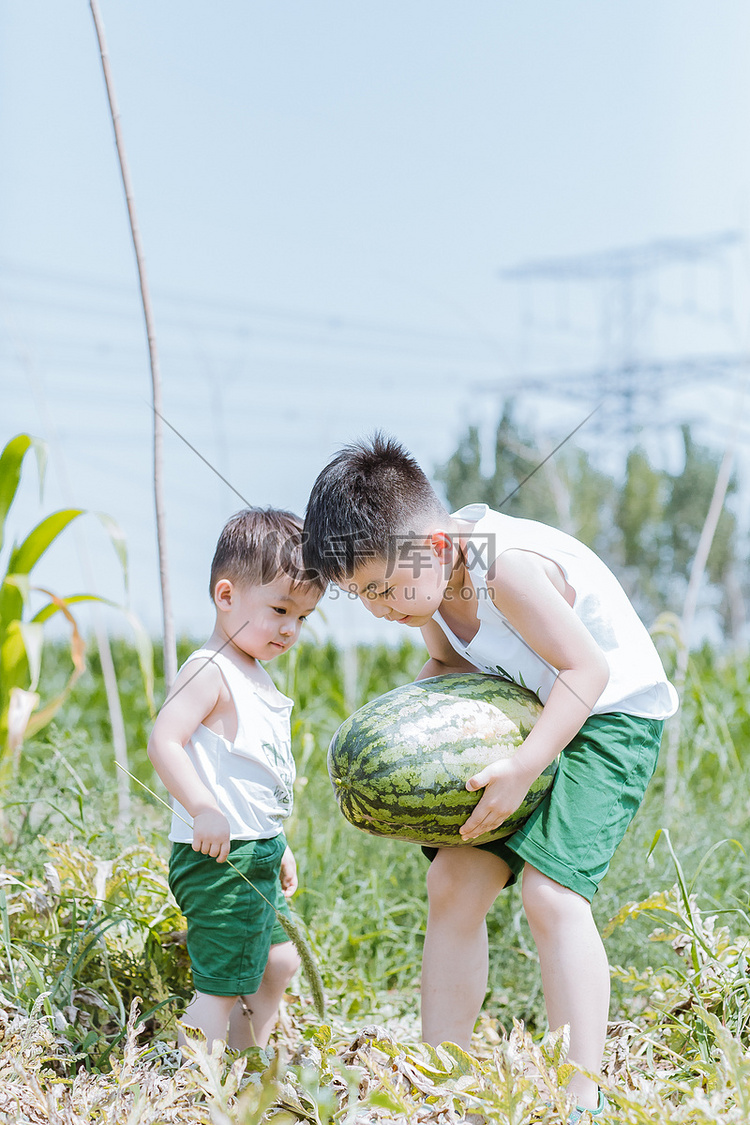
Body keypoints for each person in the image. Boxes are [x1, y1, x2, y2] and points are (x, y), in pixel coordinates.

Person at [302, 434, 677, 1120]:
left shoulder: (505, 569)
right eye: (364, 598)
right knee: (450, 880)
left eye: (384, 587)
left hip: (609, 714)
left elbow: (587, 671)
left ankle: (581, 1098)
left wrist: (525, 764)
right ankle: (441, 1081)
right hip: (526, 714)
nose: (383, 608)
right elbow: (449, 669)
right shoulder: (431, 592)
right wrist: (404, 729)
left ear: (436, 547)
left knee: (551, 894)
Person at [148, 508, 325, 1050]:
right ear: (226, 596)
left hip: (256, 851)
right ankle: (195, 1088)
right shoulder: (210, 669)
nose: (290, 628)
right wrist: (203, 806)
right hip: (219, 858)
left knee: (278, 960)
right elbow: (163, 741)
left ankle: (252, 1062)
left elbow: (255, 778)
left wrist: (278, 843)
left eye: (303, 616)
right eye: (279, 609)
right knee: (223, 984)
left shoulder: (256, 674)